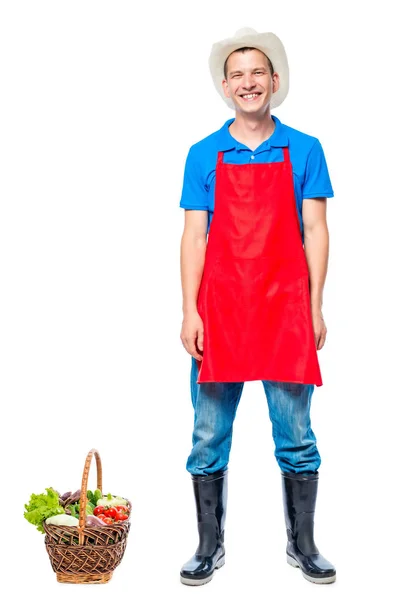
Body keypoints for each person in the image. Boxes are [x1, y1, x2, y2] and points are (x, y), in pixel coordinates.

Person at [179, 27, 336, 586]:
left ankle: (304, 543)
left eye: (258, 73)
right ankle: (208, 545)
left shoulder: (304, 149)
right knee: (207, 436)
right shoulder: (204, 153)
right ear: (226, 87)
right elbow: (194, 237)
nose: (249, 83)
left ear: (274, 81)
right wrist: (189, 312)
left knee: (296, 435)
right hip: (218, 312)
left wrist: (313, 307)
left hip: (283, 312)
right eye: (238, 75)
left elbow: (315, 231)